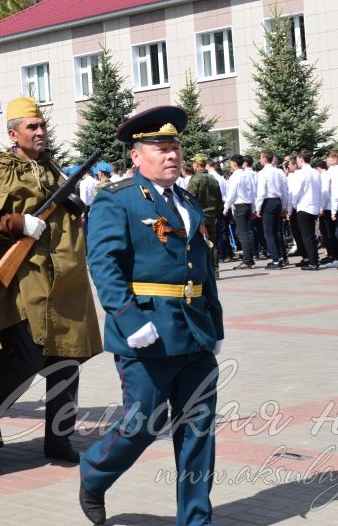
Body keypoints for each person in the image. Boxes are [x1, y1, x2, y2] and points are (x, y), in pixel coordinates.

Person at [80, 106, 223, 526]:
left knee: (198, 430)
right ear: (136, 156)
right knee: (141, 424)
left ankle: (196, 519)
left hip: (193, 332)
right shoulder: (116, 200)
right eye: (160, 147)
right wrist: (129, 320)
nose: (171, 154)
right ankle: (95, 472)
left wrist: (214, 323)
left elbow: (203, 268)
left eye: (175, 146)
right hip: (146, 331)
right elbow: (103, 265)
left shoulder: (188, 201)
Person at [0, 96, 102, 463]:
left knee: (67, 358)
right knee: (28, 353)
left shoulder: (53, 167)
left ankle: (59, 439)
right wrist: (17, 223)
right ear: (14, 133)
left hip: (66, 276)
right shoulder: (2, 169)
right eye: (32, 127)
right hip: (28, 275)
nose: (40, 132)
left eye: (42, 125)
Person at [187, 153, 224, 276]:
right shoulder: (213, 179)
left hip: (198, 217)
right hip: (211, 216)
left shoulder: (195, 179)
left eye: (193, 163)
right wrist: (217, 215)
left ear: (197, 164)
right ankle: (215, 268)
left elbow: (190, 200)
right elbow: (219, 199)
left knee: (198, 243)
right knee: (212, 243)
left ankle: (201, 269)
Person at [288, 151, 322, 270]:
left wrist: (292, 204)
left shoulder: (301, 173)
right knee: (310, 235)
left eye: (297, 160)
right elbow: (319, 191)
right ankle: (314, 259)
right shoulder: (315, 173)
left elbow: (296, 191)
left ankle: (313, 262)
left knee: (306, 236)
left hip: (304, 207)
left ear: (301, 160)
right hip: (313, 207)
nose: (297, 162)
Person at [255, 150, 288, 269]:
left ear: (264, 158)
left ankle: (275, 260)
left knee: (268, 233)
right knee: (277, 231)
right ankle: (281, 257)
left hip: (268, 202)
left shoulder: (263, 173)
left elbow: (261, 191)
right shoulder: (279, 172)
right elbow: (284, 190)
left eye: (261, 158)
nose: (260, 160)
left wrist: (258, 208)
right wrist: (284, 206)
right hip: (278, 201)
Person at [223, 154, 256, 269]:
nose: (230, 165)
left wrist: (226, 208)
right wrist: (253, 207)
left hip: (240, 206)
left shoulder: (235, 176)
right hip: (247, 205)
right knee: (242, 232)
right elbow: (253, 192)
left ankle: (247, 260)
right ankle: (249, 258)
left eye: (231, 162)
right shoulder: (247, 175)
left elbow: (231, 193)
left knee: (242, 234)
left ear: (235, 163)